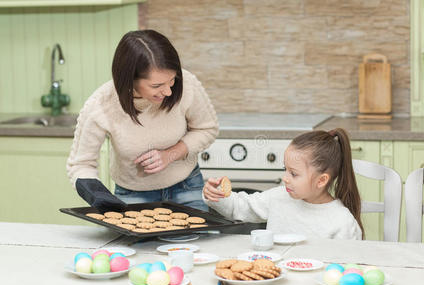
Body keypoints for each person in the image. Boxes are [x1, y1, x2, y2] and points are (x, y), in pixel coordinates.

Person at [67, 30, 219, 211]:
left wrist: (171, 154)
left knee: (200, 239)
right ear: (129, 78)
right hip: (133, 196)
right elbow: (81, 164)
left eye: (172, 80)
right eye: (157, 86)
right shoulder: (102, 105)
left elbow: (207, 129)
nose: (169, 92)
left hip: (188, 187)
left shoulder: (187, 84)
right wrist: (98, 195)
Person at [203, 128, 364, 239]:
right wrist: (217, 195)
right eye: (285, 169)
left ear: (321, 180)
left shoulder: (342, 222)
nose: (285, 178)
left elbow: (348, 268)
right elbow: (239, 207)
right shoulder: (279, 197)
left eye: (293, 173)